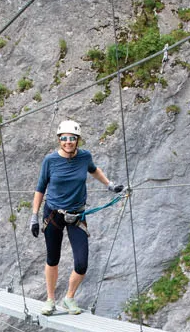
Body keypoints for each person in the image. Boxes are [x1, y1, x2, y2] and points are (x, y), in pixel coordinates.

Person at [30, 119, 124, 315]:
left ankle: (69, 298)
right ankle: (50, 299)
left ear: (77, 140)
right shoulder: (50, 161)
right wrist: (34, 216)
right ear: (59, 140)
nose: (68, 142)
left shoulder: (84, 157)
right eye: (64, 138)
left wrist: (109, 185)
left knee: (82, 263)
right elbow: (40, 189)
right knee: (52, 259)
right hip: (54, 214)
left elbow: (94, 169)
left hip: (77, 214)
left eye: (72, 138)